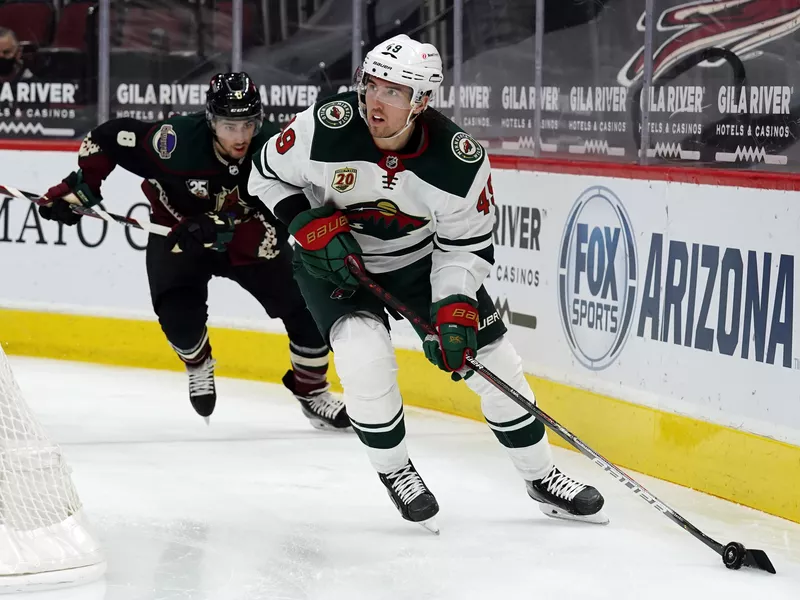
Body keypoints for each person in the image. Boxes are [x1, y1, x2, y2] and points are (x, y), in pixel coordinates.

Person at [247, 35, 607, 531]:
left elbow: (466, 246)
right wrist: (301, 222)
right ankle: (397, 473)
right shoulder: (322, 128)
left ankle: (541, 476)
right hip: (330, 263)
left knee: (493, 360)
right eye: (371, 84)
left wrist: (455, 309)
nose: (375, 101)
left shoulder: (459, 162)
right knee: (363, 355)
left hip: (418, 263)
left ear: (421, 102)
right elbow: (264, 176)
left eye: (394, 92)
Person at [38, 72, 350, 431]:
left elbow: (279, 224)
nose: (241, 136)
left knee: (307, 310)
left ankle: (311, 393)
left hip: (246, 242)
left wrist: (223, 225)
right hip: (177, 234)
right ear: (211, 121)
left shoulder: (274, 149)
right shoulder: (173, 142)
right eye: (230, 126)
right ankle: (198, 362)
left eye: (248, 124)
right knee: (178, 321)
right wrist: (81, 189)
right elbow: (108, 138)